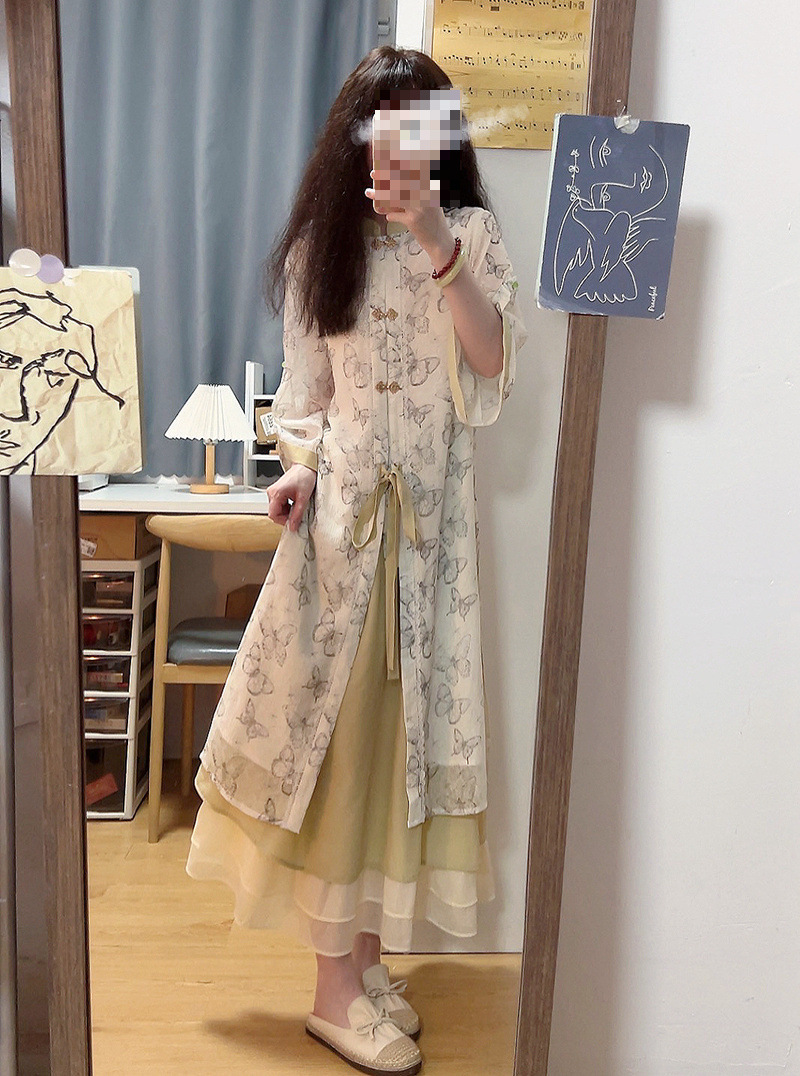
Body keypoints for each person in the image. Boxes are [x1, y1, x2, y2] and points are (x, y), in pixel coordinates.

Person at [185, 45, 528, 1076]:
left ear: (442, 140)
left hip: (431, 552)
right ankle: (332, 987)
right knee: (336, 757)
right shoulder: (318, 252)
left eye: (421, 124)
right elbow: (305, 400)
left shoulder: (469, 234)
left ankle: (363, 960)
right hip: (339, 548)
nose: (399, 144)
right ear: (356, 138)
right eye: (383, 124)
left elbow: (490, 369)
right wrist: (295, 468)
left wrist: (434, 240)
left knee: (394, 761)